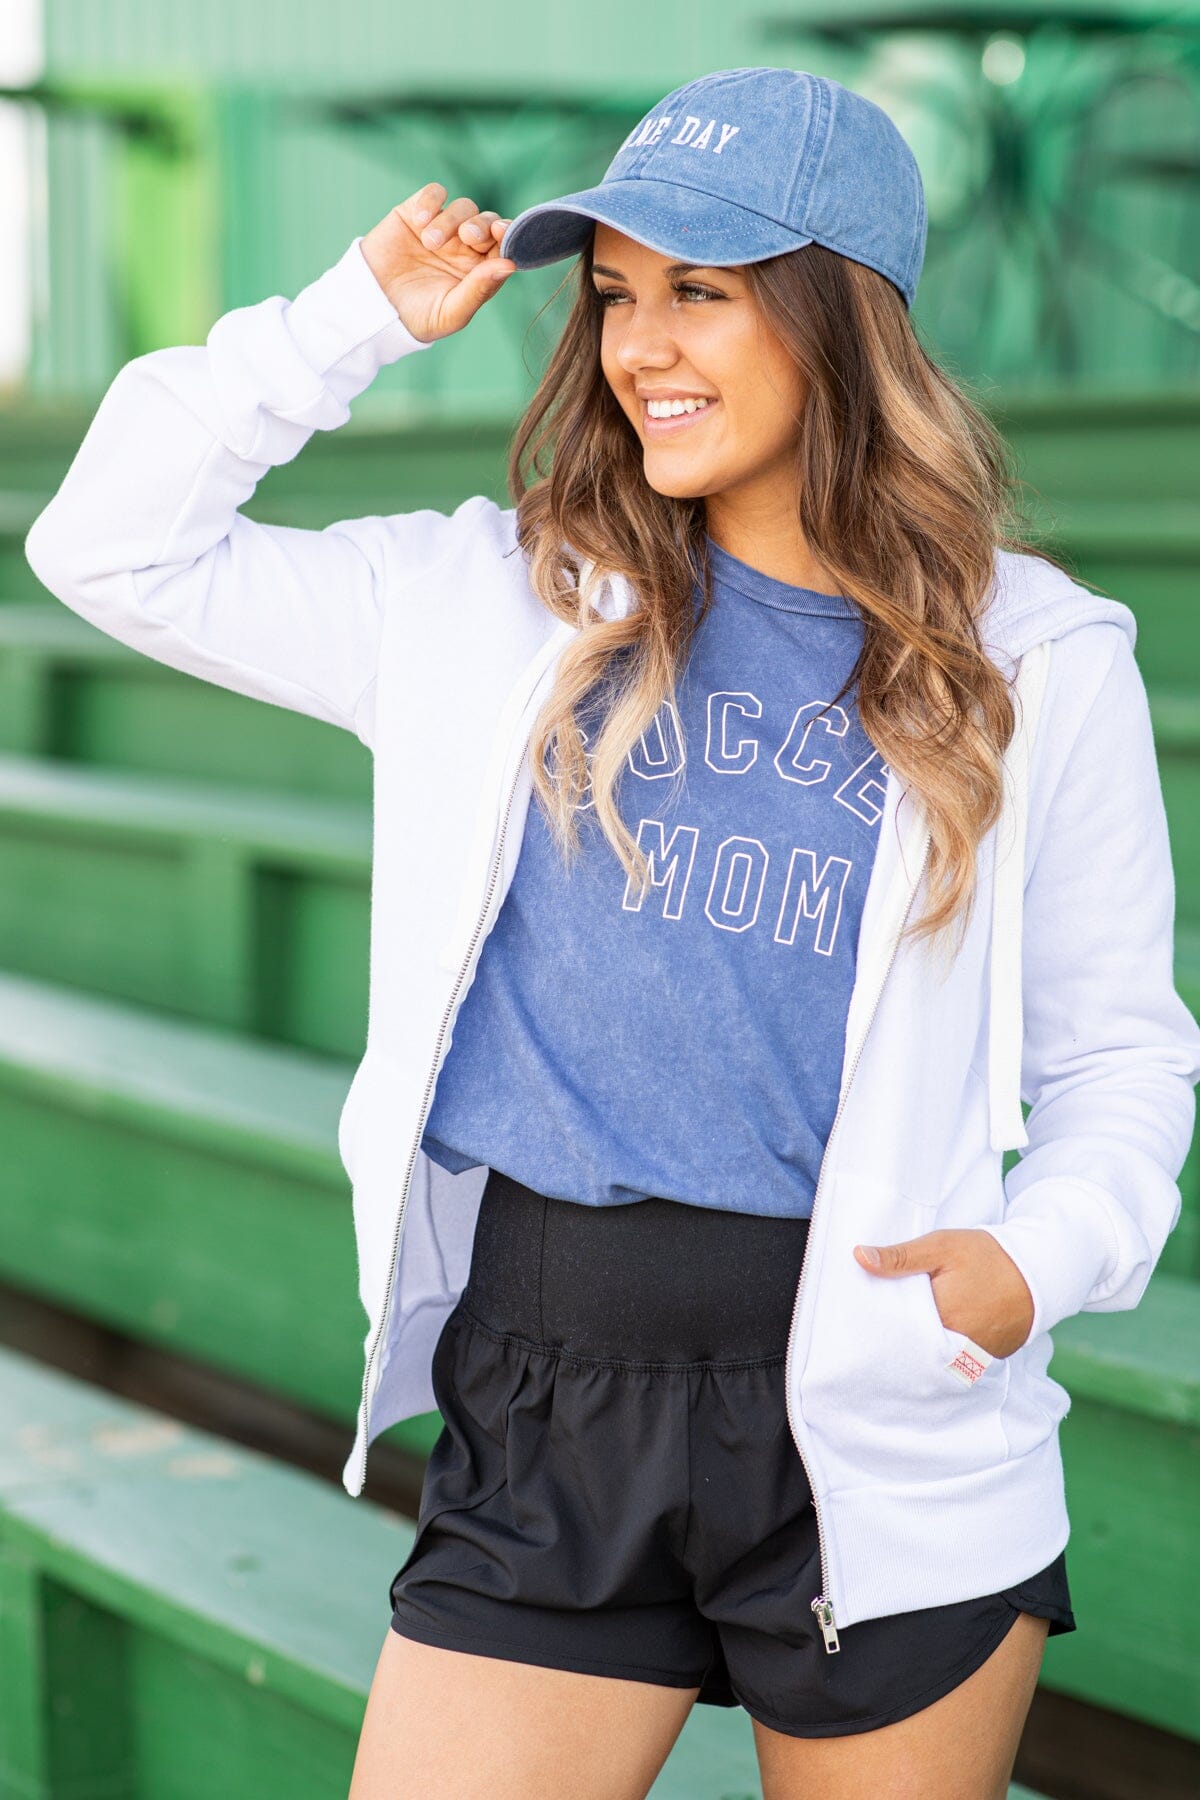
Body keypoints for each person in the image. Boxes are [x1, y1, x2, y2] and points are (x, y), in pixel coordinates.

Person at [24, 64, 1200, 1800]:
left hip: (877, 1412)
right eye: (615, 293)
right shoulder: (487, 599)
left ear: (841, 315)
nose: (642, 342)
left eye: (703, 294)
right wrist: (349, 317)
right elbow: (108, 547)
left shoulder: (1037, 659)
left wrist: (1042, 1261)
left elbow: (1121, 1055)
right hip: (550, 1395)